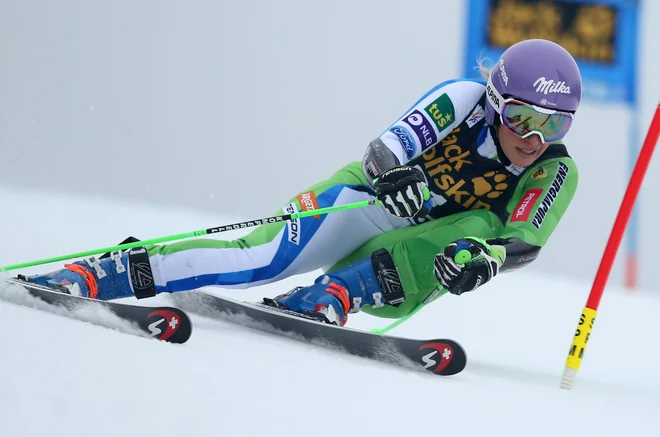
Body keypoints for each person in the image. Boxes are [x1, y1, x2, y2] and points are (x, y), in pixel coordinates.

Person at [23, 39, 580, 327]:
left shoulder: (553, 169)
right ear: (495, 102)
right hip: (361, 203)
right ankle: (102, 273)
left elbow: (524, 240)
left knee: (479, 229)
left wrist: (486, 259)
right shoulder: (460, 100)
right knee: (257, 260)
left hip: (410, 254)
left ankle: (332, 295)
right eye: (523, 117)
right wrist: (397, 176)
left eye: (554, 123)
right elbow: (384, 151)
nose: (534, 137)